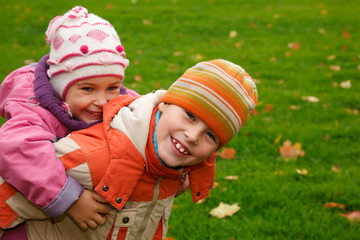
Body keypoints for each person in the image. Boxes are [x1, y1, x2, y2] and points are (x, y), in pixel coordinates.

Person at [1, 59, 258, 239]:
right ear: (166, 103)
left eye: (210, 135)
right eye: (190, 116)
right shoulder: (95, 157)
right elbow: (8, 192)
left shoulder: (175, 168)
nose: (192, 136)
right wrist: (69, 200)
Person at [0, 6, 138, 238]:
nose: (103, 101)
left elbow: (151, 118)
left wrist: (180, 166)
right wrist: (70, 199)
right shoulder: (34, 107)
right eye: (87, 89)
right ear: (61, 86)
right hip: (21, 212)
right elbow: (17, 147)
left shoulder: (122, 101)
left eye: (112, 87)